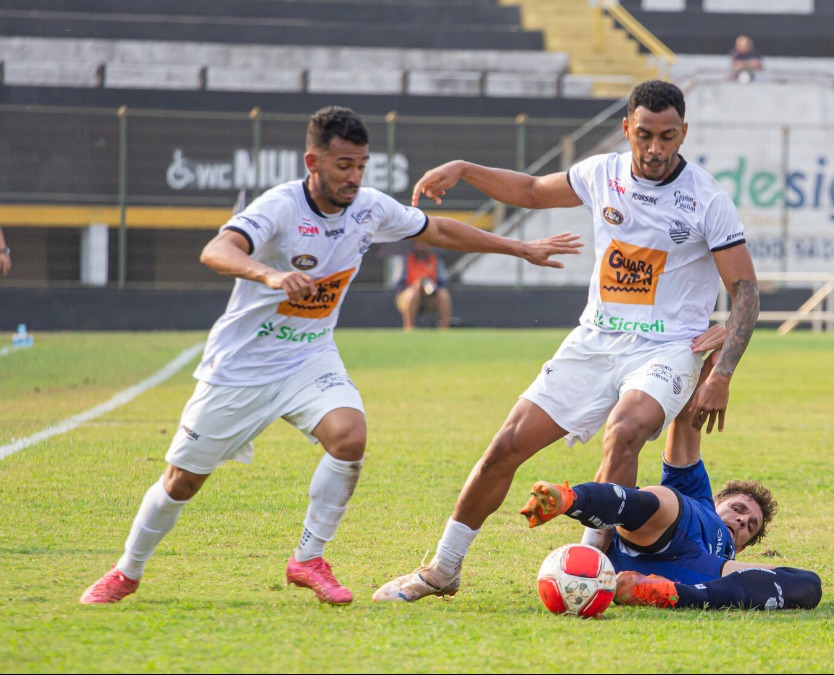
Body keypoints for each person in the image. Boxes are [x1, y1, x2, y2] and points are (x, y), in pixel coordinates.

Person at [80, 106, 582, 605]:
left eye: (361, 165)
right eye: (343, 165)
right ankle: (127, 570)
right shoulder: (280, 207)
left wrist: (519, 248)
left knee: (349, 436)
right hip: (242, 366)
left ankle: (308, 558)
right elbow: (217, 250)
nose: (354, 176)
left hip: (309, 357)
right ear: (312, 162)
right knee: (183, 481)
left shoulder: (369, 208)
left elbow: (440, 231)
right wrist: (269, 275)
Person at [372, 80, 760, 604]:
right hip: (595, 340)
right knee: (506, 447)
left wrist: (721, 375)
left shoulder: (707, 199)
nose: (655, 148)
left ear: (683, 132)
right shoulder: (602, 173)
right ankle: (442, 570)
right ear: (627, 129)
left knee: (625, 431)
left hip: (667, 347)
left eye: (668, 136)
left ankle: (588, 569)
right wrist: (464, 169)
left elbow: (745, 292)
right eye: (644, 134)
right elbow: (531, 192)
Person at [519, 352, 822, 612]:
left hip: (692, 570)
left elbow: (801, 582)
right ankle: (568, 499)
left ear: (742, 548)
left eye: (750, 526)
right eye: (739, 508)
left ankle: (669, 594)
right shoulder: (699, 497)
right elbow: (688, 419)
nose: (743, 520)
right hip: (651, 529)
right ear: (717, 502)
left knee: (810, 586)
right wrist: (711, 364)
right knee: (663, 500)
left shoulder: (725, 561)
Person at [394, 239, 452, 330]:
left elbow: (442, 283)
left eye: (425, 243)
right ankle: (409, 328)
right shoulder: (406, 259)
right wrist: (415, 286)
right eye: (419, 243)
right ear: (414, 244)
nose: (422, 246)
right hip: (408, 298)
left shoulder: (435, 259)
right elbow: (399, 284)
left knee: (444, 294)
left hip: (429, 298)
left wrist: (431, 288)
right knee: (412, 293)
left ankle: (444, 328)